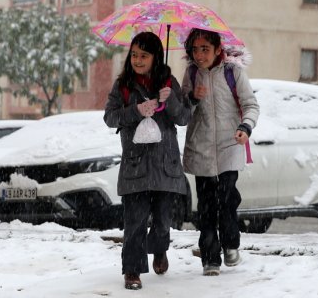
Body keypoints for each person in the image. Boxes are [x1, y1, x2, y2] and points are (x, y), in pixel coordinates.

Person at [103, 31, 191, 290]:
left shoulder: (168, 81)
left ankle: (160, 249)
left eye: (144, 55)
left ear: (156, 57)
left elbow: (184, 117)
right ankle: (132, 270)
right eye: (134, 55)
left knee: (164, 221)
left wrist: (171, 99)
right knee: (135, 222)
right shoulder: (123, 85)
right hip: (136, 165)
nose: (138, 60)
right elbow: (109, 117)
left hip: (166, 164)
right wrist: (135, 111)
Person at [181, 28, 259, 276]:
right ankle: (210, 257)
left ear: (218, 49)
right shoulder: (192, 73)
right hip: (201, 147)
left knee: (227, 200)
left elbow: (250, 105)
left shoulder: (232, 72)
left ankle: (231, 243)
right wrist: (192, 98)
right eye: (195, 49)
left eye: (205, 48)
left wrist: (245, 126)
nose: (199, 54)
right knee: (206, 205)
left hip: (229, 145)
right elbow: (182, 113)